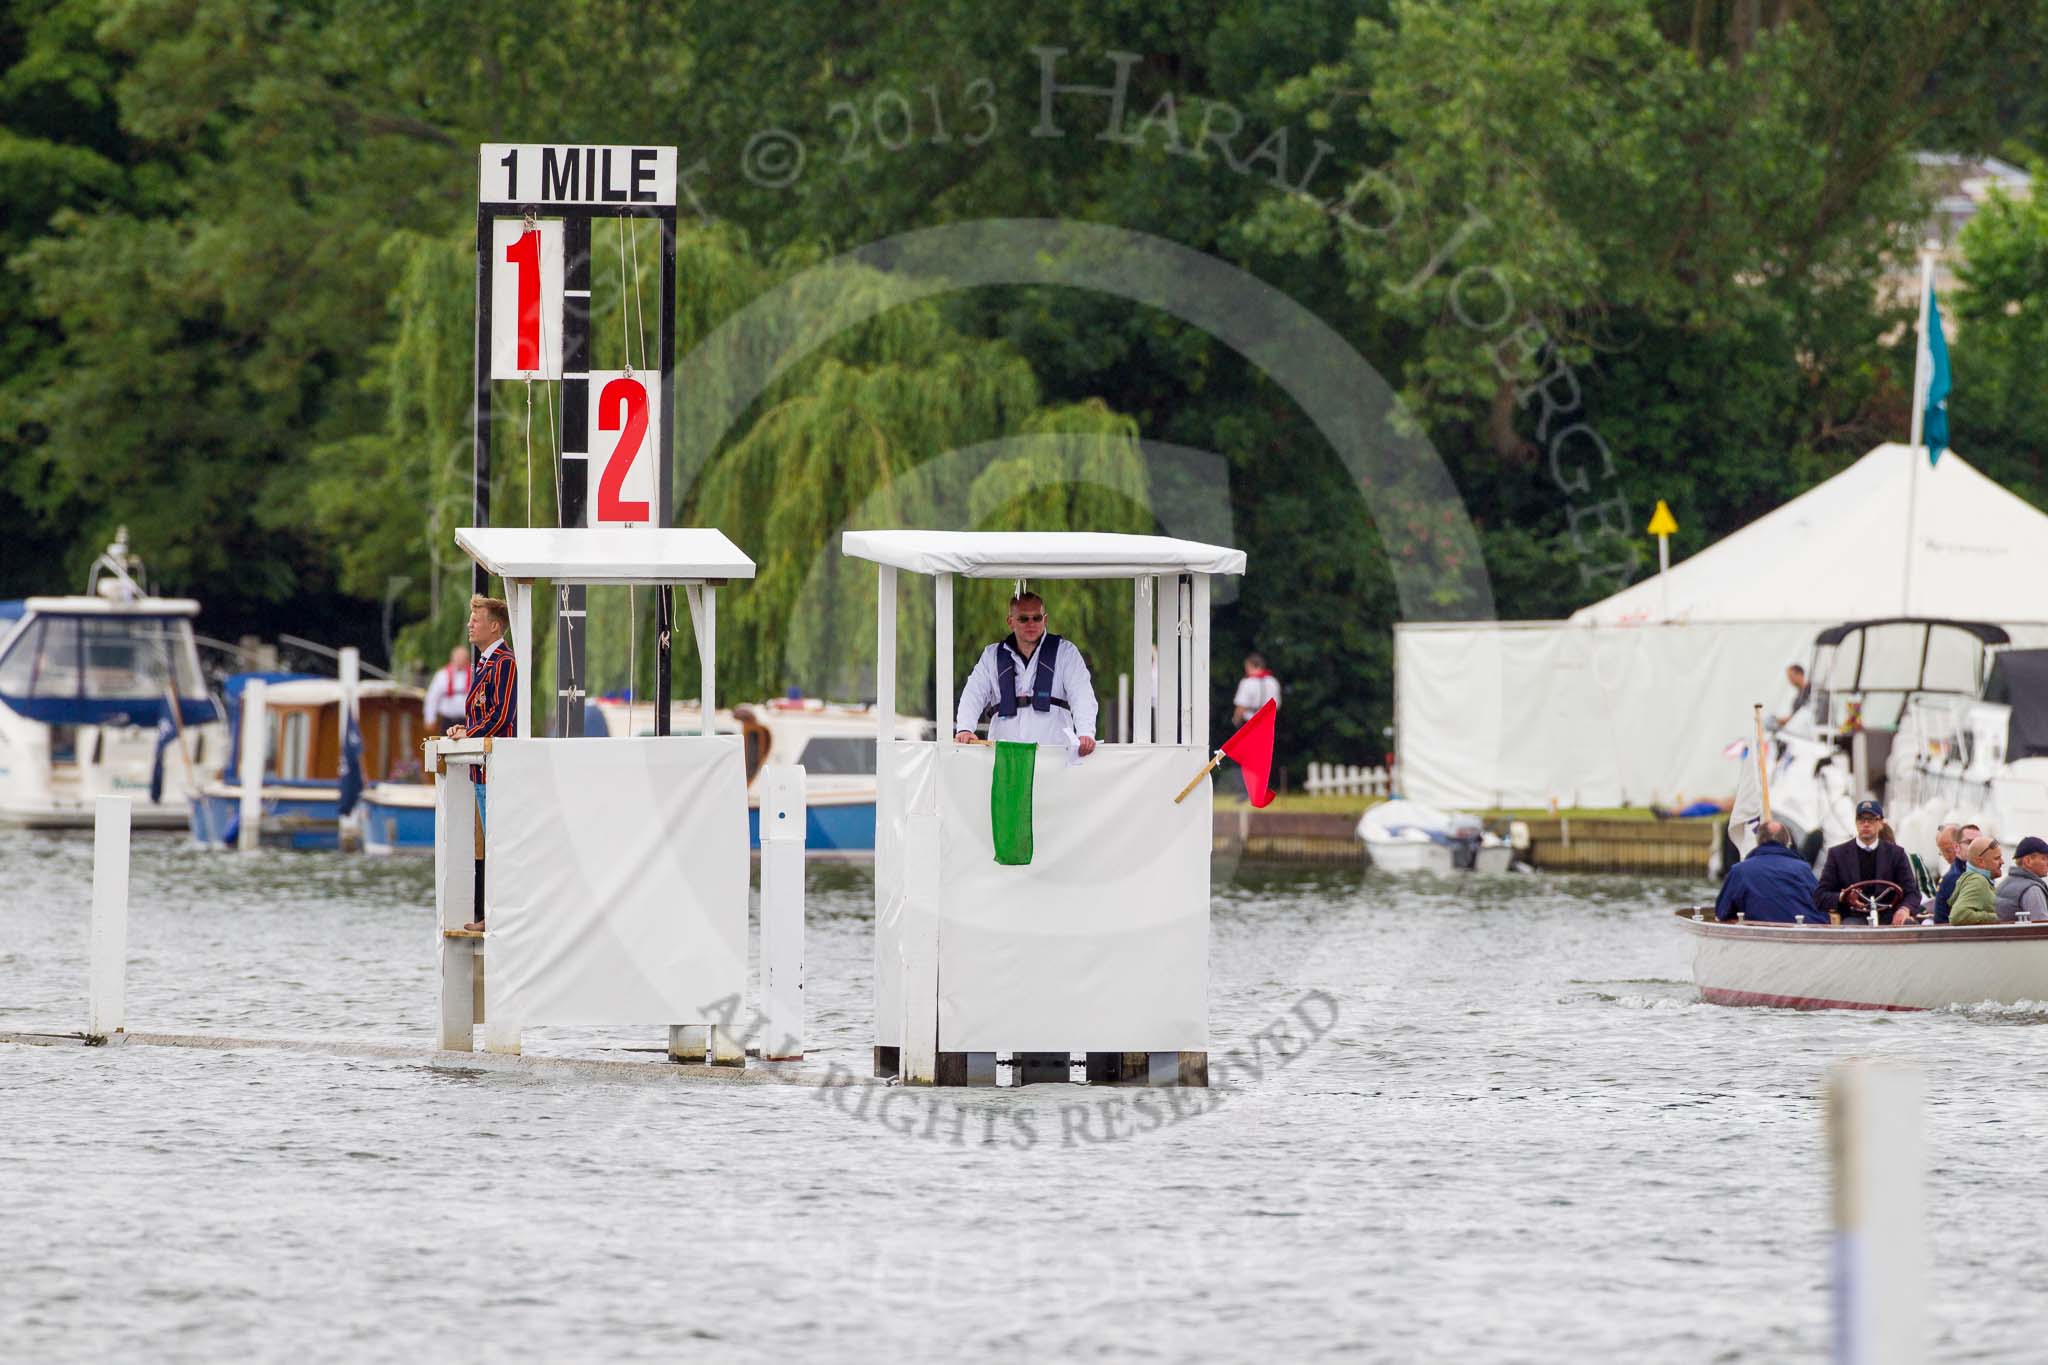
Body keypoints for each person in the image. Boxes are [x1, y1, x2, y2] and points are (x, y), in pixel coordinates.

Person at [444, 594, 517, 931]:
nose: (469, 625)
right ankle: (490, 914)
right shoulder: (486, 663)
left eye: (477, 619)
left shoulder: (504, 663)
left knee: (498, 844)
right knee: (489, 843)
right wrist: (466, 729)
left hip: (496, 769)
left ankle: (496, 916)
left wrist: (469, 732)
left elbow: (501, 714)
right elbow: (486, 714)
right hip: (482, 770)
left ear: (495, 625)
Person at [954, 591, 1097, 754]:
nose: (1031, 624)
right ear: (1010, 621)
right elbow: (973, 693)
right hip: (1006, 756)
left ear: (1045, 619)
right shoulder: (991, 655)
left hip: (1055, 755)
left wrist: (1086, 732)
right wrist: (964, 728)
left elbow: (1082, 693)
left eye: (1037, 618)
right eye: (1023, 619)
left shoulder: (1065, 653)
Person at [1815, 799, 1923, 925]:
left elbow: (1912, 892)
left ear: (1881, 823)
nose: (1865, 824)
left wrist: (1904, 909)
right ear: (1856, 823)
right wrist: (1843, 896)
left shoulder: (1896, 854)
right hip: (1853, 917)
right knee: (1851, 930)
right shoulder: (1837, 854)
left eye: (1871, 819)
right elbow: (1820, 896)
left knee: (1910, 926)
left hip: (1890, 917)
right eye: (1861, 819)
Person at [1715, 820, 1821, 924]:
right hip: (1805, 929)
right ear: (1786, 842)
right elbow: (1820, 903)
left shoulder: (1739, 871)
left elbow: (1722, 912)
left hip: (1761, 933)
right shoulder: (1803, 868)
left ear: (1758, 841)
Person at [1931, 822, 1982, 925]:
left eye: (1948, 850)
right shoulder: (1954, 878)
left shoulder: (1977, 872)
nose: (1946, 856)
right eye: (1943, 851)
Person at [1948, 835, 2005, 926]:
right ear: (1981, 862)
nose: (2002, 862)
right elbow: (1958, 916)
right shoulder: (1977, 881)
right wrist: (1998, 917)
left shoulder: (1978, 880)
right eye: (1997, 858)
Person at [1995, 835, 2048, 923]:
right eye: (2044, 858)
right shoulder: (2032, 889)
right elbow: (2042, 927)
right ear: (2028, 861)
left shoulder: (2003, 883)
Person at [422, 644, 471, 736]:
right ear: (452, 658)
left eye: (463, 657)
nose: (460, 659)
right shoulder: (442, 674)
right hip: (448, 720)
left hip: (467, 721)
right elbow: (432, 697)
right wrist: (429, 718)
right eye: (458, 657)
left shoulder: (473, 674)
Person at [1232, 653, 1281, 726]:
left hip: (1249, 722)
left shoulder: (1247, 682)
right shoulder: (1273, 681)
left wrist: (1236, 720)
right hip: (1267, 723)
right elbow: (1277, 706)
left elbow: (1241, 706)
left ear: (1250, 665)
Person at [1775, 662, 1812, 727]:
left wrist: (1785, 720)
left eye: (1791, 677)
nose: (1790, 680)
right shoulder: (1799, 694)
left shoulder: (1810, 691)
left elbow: (1803, 715)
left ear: (1799, 674)